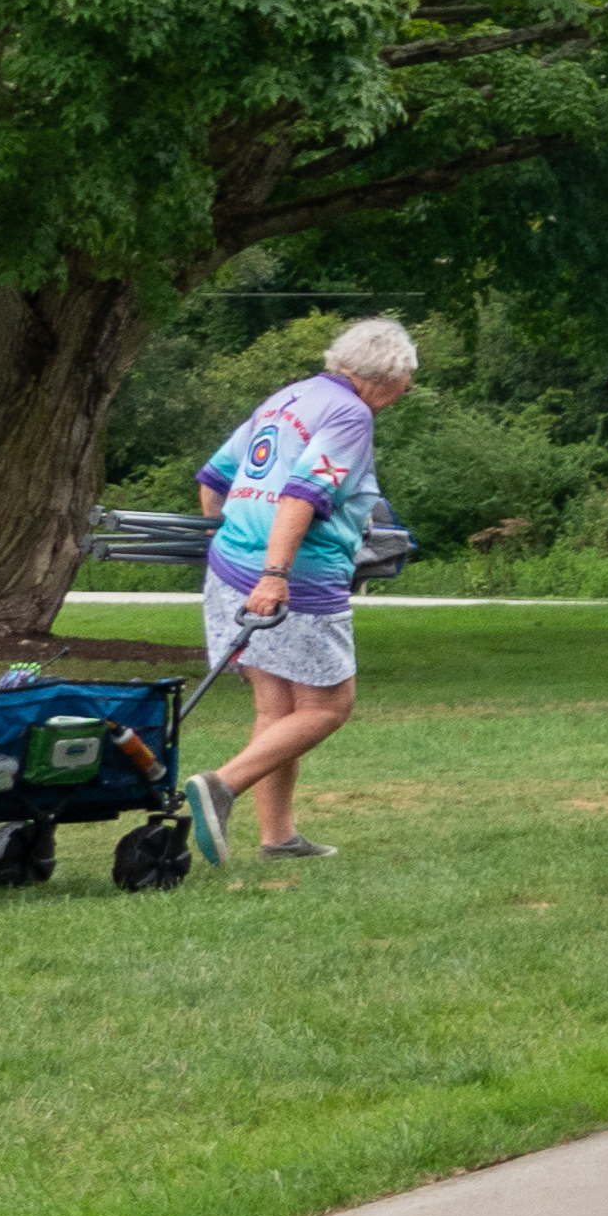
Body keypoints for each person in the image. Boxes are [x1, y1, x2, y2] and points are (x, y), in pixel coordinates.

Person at [185, 317, 413, 866]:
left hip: (230, 567)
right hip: (296, 579)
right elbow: (301, 497)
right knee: (330, 705)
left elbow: (214, 480)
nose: (406, 393)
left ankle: (278, 839)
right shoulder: (349, 413)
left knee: (279, 707)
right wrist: (275, 574)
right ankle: (221, 786)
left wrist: (236, 545)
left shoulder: (289, 397)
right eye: (407, 381)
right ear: (384, 375)